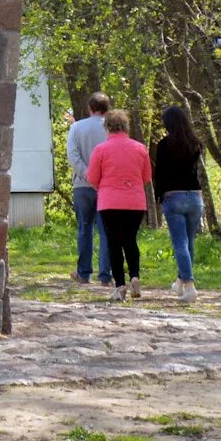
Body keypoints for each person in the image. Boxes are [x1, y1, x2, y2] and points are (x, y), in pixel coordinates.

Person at [85, 109, 155, 301]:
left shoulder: (101, 150)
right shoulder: (140, 148)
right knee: (130, 240)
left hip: (110, 202)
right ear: (126, 127)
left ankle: (120, 286)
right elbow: (147, 177)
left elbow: (91, 178)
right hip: (135, 202)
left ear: (107, 127)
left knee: (114, 243)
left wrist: (103, 184)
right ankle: (135, 276)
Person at [154, 104, 207, 302]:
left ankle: (190, 286)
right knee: (188, 242)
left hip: (173, 197)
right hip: (195, 197)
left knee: (180, 244)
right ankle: (180, 282)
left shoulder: (164, 145)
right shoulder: (195, 144)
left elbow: (160, 174)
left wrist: (159, 196)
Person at [66, 92, 114, 287]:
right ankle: (105, 275)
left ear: (89, 108)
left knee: (84, 229)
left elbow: (73, 155)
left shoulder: (77, 127)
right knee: (106, 231)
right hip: (107, 185)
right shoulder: (111, 129)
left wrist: (87, 175)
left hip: (82, 185)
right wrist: (100, 178)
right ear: (107, 108)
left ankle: (84, 273)